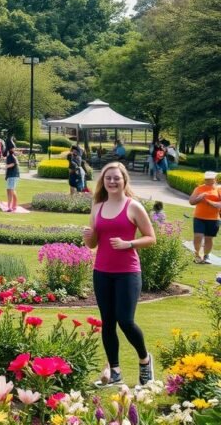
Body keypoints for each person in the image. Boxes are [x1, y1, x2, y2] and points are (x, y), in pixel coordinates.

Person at [81, 162, 157, 386]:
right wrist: (88, 236)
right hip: (102, 271)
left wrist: (128, 244)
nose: (112, 182)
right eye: (108, 178)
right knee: (108, 322)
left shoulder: (133, 207)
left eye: (116, 178)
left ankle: (144, 360)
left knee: (125, 320)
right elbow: (94, 243)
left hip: (128, 273)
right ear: (103, 182)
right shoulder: (97, 206)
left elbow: (151, 238)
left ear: (124, 180)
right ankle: (114, 371)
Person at [190, 171, 221, 264]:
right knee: (198, 236)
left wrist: (209, 202)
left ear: (214, 179)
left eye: (210, 179)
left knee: (209, 238)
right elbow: (191, 201)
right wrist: (199, 198)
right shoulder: (199, 189)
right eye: (206, 179)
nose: (207, 180)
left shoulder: (218, 190)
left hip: (213, 218)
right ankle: (197, 255)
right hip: (199, 217)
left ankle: (206, 256)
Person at [4, 146, 20, 212]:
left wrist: (6, 166)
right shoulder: (9, 156)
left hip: (13, 175)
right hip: (10, 176)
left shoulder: (12, 156)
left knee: (11, 190)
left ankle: (10, 207)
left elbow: (14, 163)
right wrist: (6, 176)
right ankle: (13, 205)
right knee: (9, 190)